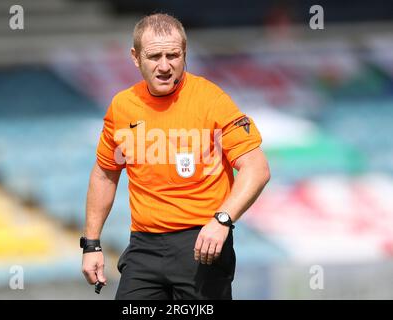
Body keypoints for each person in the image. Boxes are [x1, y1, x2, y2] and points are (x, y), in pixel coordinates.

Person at [81, 13, 270, 300]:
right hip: (143, 247)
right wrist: (92, 243)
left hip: (202, 244)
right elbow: (105, 174)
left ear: (185, 55)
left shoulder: (211, 99)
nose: (165, 66)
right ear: (135, 57)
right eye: (154, 56)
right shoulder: (122, 107)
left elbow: (256, 167)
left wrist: (222, 221)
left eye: (173, 55)